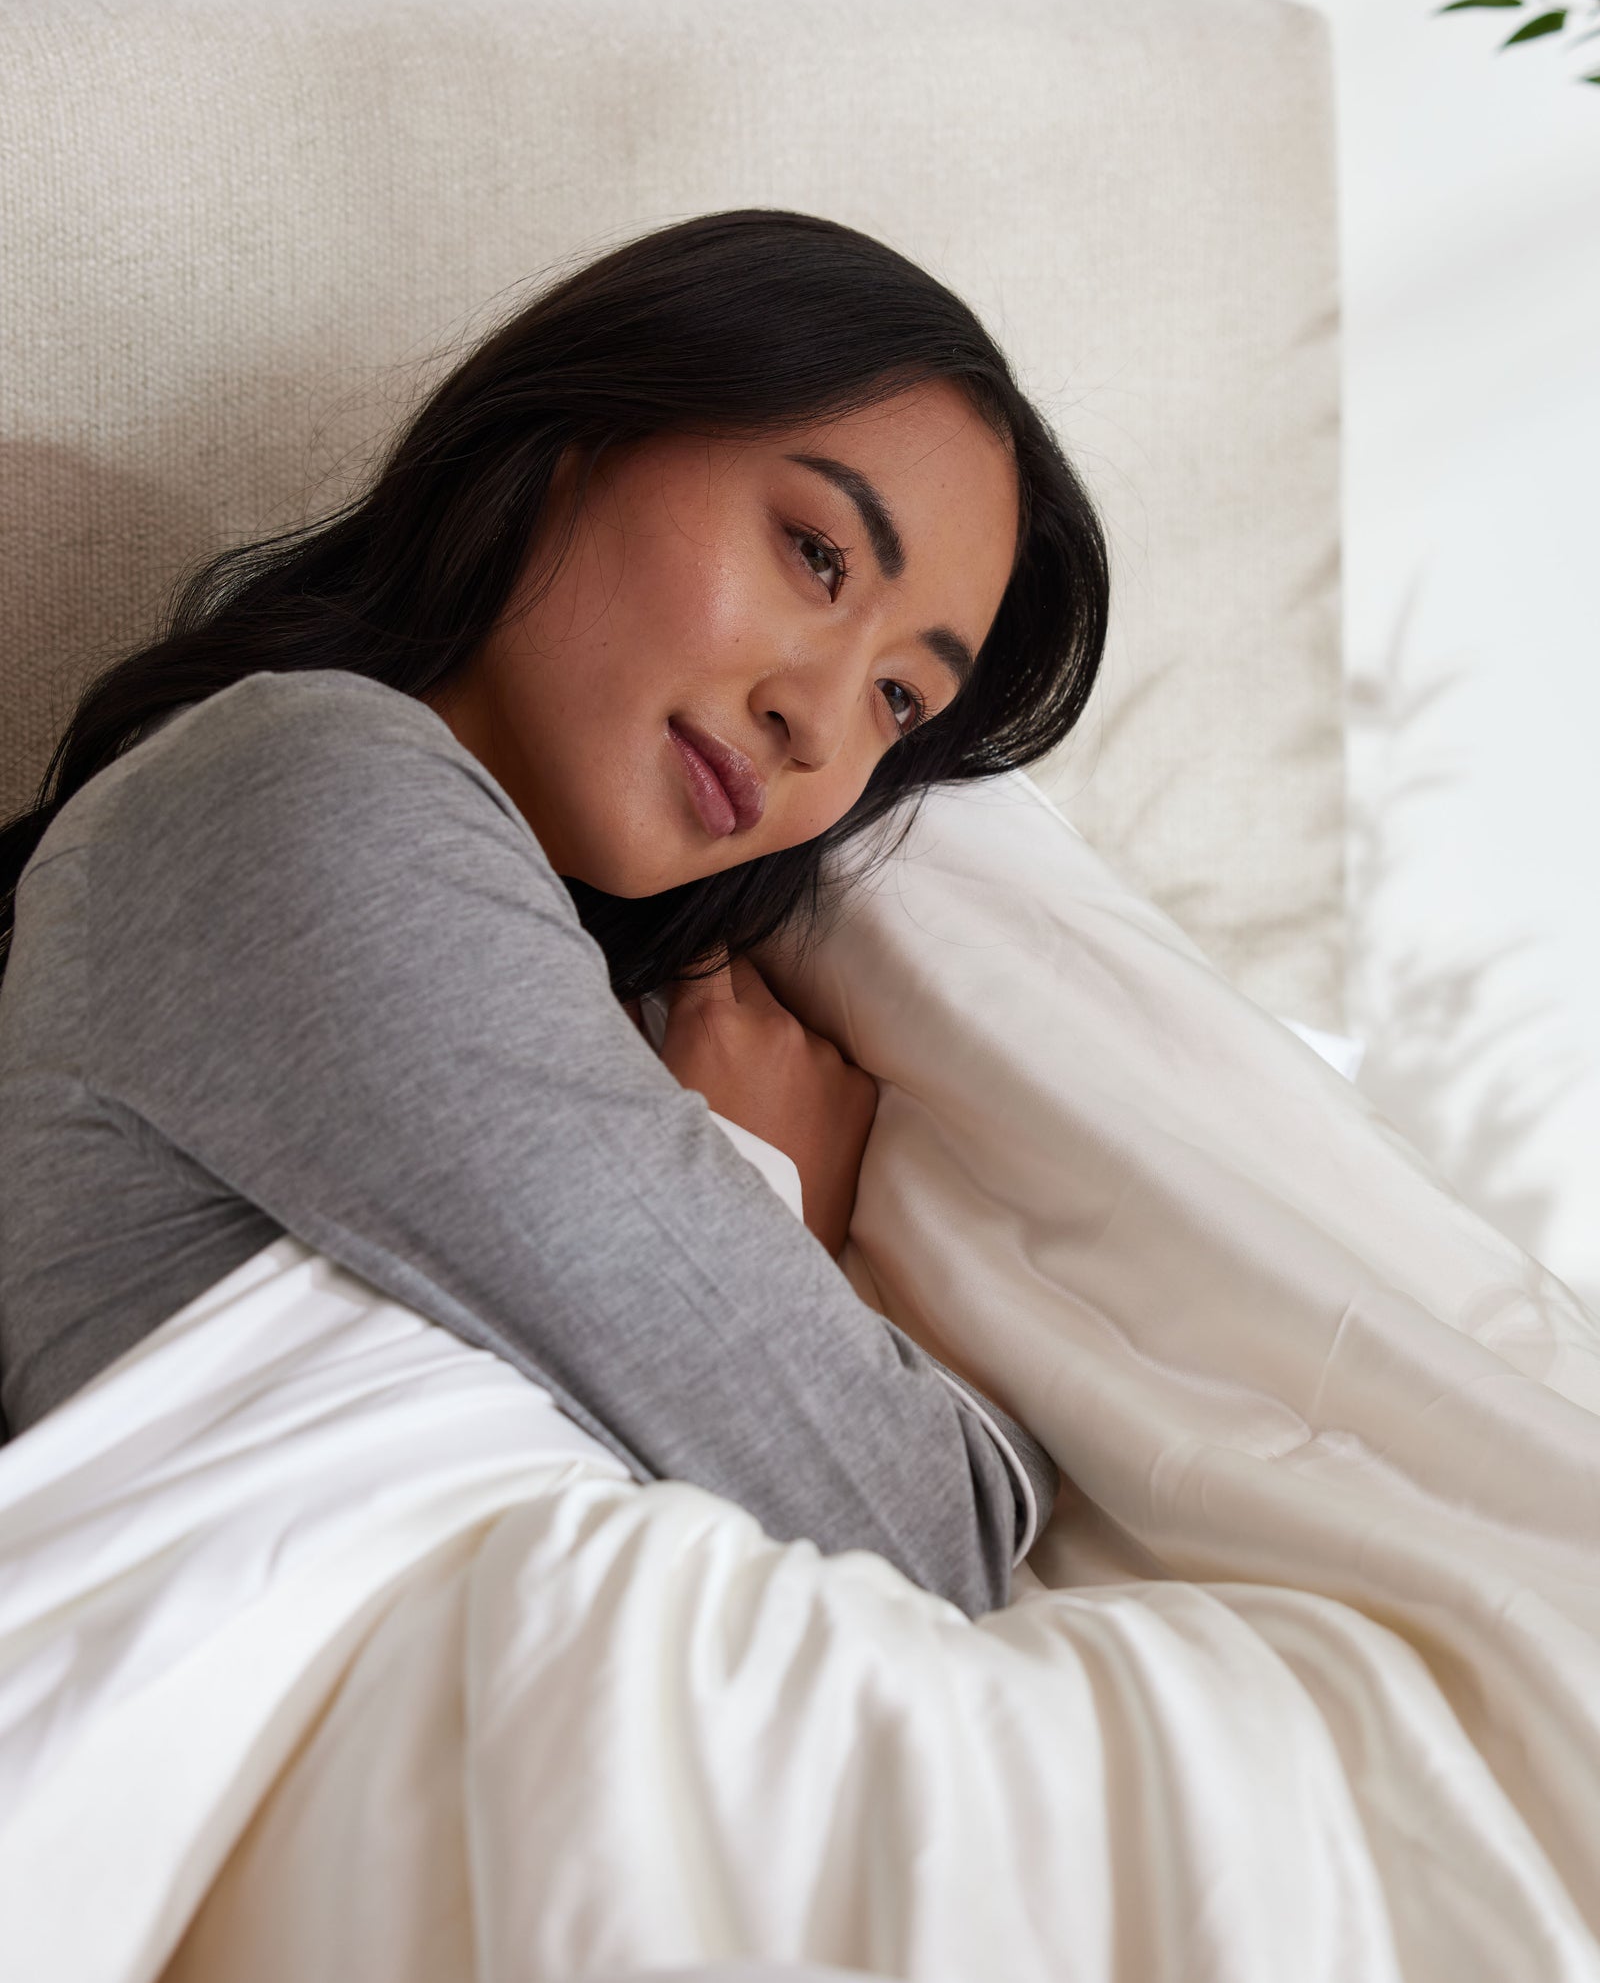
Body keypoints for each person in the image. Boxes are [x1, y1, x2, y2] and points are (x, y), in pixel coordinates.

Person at [0, 208, 1109, 1619]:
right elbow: (920, 1534)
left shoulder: (611, 992)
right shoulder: (303, 790)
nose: (819, 720)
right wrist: (779, 1207)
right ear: (591, 429)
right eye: (816, 554)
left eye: (902, 698)